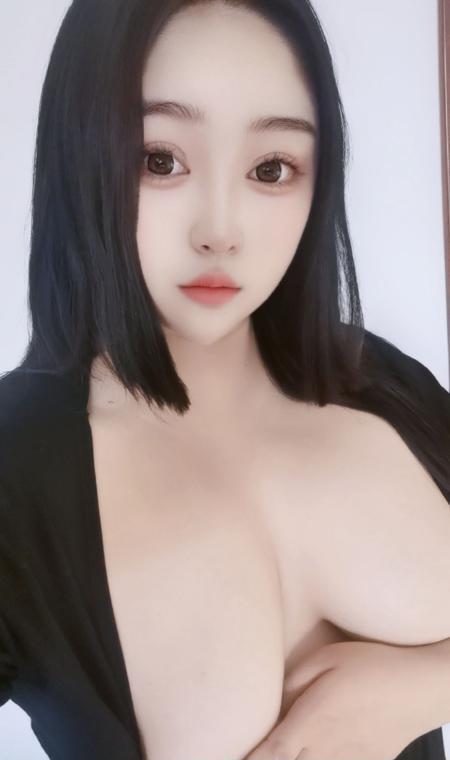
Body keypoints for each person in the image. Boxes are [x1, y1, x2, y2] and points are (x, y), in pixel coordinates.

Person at [0, 1, 449, 759]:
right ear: (81, 154)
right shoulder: (16, 471)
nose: (220, 229)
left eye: (271, 169)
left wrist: (421, 687)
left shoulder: (377, 380)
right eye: (159, 160)